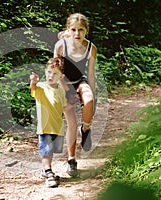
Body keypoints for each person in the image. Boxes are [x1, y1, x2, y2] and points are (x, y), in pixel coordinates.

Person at [54, 13, 97, 176]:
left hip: (80, 81)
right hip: (64, 85)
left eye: (81, 30)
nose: (77, 34)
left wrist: (93, 99)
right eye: (73, 30)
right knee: (71, 124)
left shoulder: (91, 47)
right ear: (68, 30)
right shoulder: (60, 46)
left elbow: (91, 75)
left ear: (87, 31)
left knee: (89, 98)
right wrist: (60, 94)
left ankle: (86, 129)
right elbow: (55, 71)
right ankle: (71, 160)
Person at [30, 57, 69, 187]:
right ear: (45, 72)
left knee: (51, 151)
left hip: (57, 126)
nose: (51, 76)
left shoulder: (61, 90)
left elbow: (63, 106)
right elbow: (34, 89)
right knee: (46, 151)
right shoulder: (41, 87)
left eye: (55, 73)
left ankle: (45, 169)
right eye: (49, 72)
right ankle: (48, 173)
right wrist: (33, 81)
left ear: (61, 76)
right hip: (45, 126)